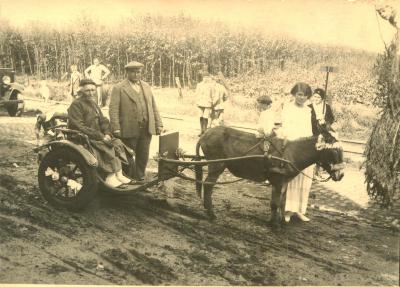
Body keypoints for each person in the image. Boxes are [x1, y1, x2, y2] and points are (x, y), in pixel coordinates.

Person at [68, 79, 131, 188]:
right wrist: (100, 136)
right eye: (88, 91)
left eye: (93, 90)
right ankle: (109, 177)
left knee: (117, 143)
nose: (91, 93)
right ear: (81, 91)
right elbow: (80, 126)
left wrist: (107, 133)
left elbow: (103, 120)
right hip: (83, 136)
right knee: (106, 147)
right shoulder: (76, 105)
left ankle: (118, 174)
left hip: (97, 135)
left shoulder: (93, 103)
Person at [109, 61, 164, 181]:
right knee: (127, 156)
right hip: (128, 128)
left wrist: (158, 124)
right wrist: (116, 127)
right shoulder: (119, 88)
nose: (136, 74)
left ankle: (140, 178)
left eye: (138, 72)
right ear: (127, 72)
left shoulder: (146, 86)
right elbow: (113, 109)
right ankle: (128, 179)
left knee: (143, 155)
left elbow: (153, 106)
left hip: (146, 128)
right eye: (133, 72)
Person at [278, 82, 314, 223]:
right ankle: (287, 210)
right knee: (292, 179)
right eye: (299, 94)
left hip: (305, 148)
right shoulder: (287, 108)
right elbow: (286, 128)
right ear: (294, 94)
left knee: (305, 179)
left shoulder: (308, 110)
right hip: (293, 147)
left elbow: (309, 131)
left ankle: (299, 210)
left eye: (305, 95)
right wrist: (297, 142)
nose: (302, 98)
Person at [196, 70, 215, 135]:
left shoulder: (211, 85)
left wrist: (212, 103)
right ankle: (201, 131)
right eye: (204, 77)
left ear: (209, 78)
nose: (205, 79)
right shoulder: (199, 85)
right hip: (200, 103)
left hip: (207, 103)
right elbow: (197, 94)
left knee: (205, 117)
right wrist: (197, 101)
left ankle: (205, 131)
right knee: (200, 116)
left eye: (207, 77)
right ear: (202, 77)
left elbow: (213, 95)